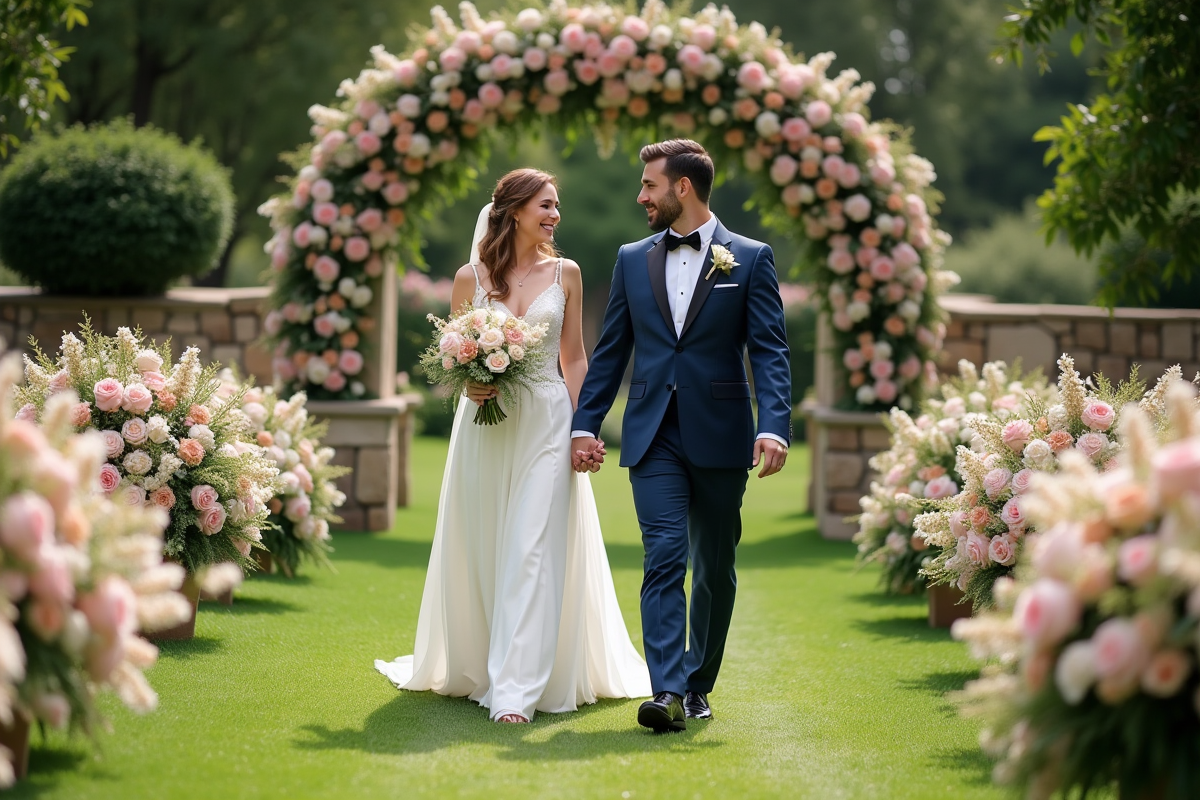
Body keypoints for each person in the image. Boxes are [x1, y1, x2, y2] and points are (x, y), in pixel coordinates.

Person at [375, 168, 651, 724]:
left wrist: (585, 426)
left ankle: (515, 692)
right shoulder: (468, 278)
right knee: (487, 544)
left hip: (549, 420)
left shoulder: (566, 274)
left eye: (556, 206)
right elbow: (452, 357)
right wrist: (469, 381)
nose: (554, 215)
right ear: (515, 208)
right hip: (484, 424)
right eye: (545, 205)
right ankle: (481, 661)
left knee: (532, 547)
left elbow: (573, 357)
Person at [571, 140, 792, 732]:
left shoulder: (749, 258)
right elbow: (613, 349)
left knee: (714, 565)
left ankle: (698, 684)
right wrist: (584, 424)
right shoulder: (630, 258)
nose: (640, 196)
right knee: (664, 553)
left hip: (721, 434)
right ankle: (666, 691)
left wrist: (773, 426)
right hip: (651, 435)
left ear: (683, 188)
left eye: (649, 185)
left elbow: (769, 351)